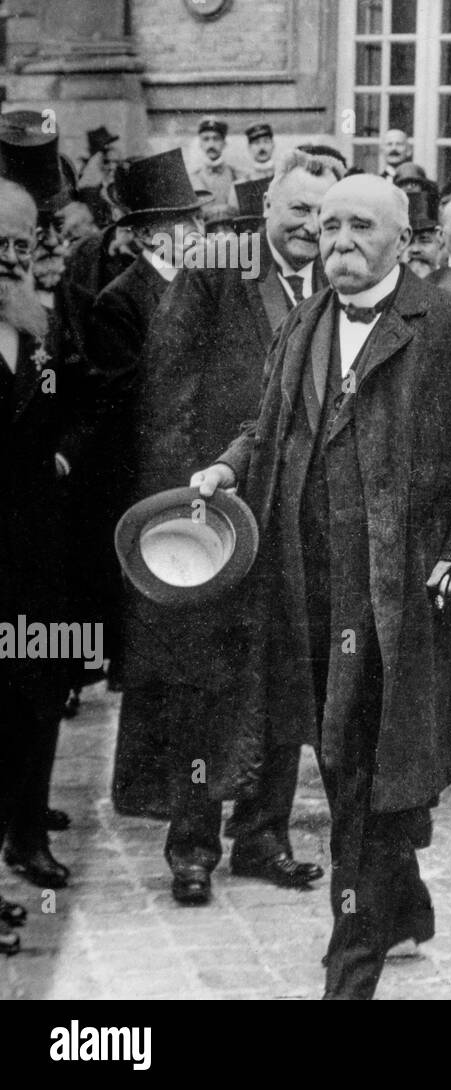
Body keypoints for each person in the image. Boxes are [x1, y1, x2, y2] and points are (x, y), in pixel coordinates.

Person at [190, 173, 451, 1000]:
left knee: (371, 770)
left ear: (404, 237)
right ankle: (403, 904)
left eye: (357, 227)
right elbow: (265, 423)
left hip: (399, 602)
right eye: (324, 223)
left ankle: (352, 962)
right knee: (342, 759)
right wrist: (229, 467)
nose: (335, 240)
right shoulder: (303, 322)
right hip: (302, 591)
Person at [121, 148, 339, 906]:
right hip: (211, 511)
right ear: (268, 206)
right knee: (202, 683)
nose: (312, 226)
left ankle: (264, 835)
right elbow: (167, 393)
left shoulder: (335, 285)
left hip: (297, 525)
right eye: (299, 209)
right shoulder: (217, 269)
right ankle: (191, 846)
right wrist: (184, 510)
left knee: (288, 678)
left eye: (325, 212)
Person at [91, 151, 212, 816]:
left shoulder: (193, 287)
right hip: (145, 492)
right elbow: (121, 406)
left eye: (192, 219)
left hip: (187, 487)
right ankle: (140, 783)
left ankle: (174, 776)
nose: (192, 232)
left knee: (182, 633)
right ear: (146, 232)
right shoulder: (122, 300)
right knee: (151, 637)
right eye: (179, 222)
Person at [0, 178, 92, 948]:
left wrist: (65, 457)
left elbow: (84, 408)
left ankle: (27, 835)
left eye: (18, 248)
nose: (7, 261)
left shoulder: (45, 327)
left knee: (37, 696)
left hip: (37, 552)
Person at [188, 117, 247, 213]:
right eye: (206, 139)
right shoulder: (191, 180)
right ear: (200, 144)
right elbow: (180, 221)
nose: (211, 144)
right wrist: (178, 229)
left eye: (216, 139)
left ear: (224, 143)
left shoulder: (239, 177)